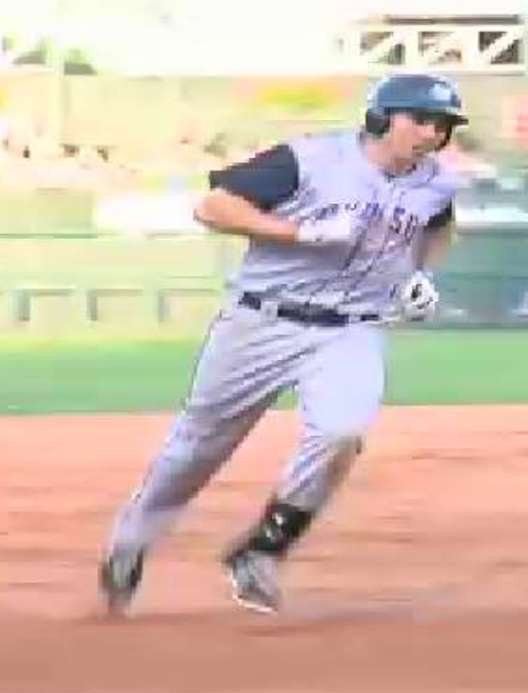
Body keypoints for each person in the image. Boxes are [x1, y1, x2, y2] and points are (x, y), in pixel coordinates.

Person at [97, 73, 469, 616]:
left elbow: (437, 229)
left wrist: (419, 275)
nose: (431, 134)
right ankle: (131, 540)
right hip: (260, 321)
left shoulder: (435, 183)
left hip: (351, 327)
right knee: (200, 446)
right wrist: (299, 234)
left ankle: (263, 551)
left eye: (441, 125)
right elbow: (214, 207)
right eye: (420, 119)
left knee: (342, 434)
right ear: (381, 118)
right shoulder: (309, 160)